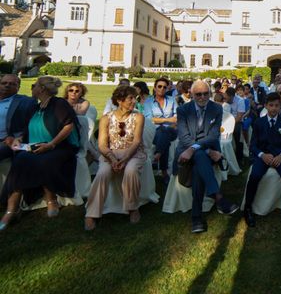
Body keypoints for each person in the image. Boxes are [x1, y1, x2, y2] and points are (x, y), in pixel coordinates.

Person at [0, 76, 80, 230]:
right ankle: (12, 209)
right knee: (21, 159)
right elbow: (27, 129)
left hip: (60, 147)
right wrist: (18, 139)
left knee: (42, 160)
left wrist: (51, 145)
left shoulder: (58, 103)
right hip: (35, 145)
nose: (32, 88)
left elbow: (68, 126)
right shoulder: (37, 107)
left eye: (34, 85)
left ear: (42, 88)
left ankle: (51, 199)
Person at [175, 80, 238, 233]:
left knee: (199, 164)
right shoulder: (183, 110)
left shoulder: (216, 108)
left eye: (205, 94)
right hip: (188, 152)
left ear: (210, 94)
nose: (202, 97)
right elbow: (184, 137)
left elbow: (213, 136)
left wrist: (196, 149)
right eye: (198, 94)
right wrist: (205, 151)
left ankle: (196, 217)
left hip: (202, 150)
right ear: (191, 94)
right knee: (201, 157)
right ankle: (217, 197)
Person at [84, 86, 146, 230]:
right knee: (102, 173)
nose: (134, 101)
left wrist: (124, 160)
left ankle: (132, 208)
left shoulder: (138, 117)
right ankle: (91, 213)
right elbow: (102, 145)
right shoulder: (106, 118)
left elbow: (137, 141)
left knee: (130, 170)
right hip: (111, 154)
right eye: (130, 98)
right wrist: (112, 159)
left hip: (134, 153)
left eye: (135, 98)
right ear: (119, 100)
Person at [244, 92, 281, 227]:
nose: (273, 108)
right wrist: (262, 155)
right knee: (254, 176)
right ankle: (248, 208)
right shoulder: (259, 123)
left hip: (280, 157)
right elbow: (253, 145)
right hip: (263, 156)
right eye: (271, 105)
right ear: (266, 106)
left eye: (277, 106)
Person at [143, 77, 178, 185]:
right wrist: (168, 119)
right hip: (155, 131)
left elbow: (177, 117)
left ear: (167, 89)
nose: (162, 89)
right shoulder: (149, 101)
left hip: (172, 129)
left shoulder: (171, 100)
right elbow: (149, 119)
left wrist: (162, 121)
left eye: (164, 87)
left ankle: (157, 155)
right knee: (164, 136)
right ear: (154, 88)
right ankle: (164, 172)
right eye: (159, 86)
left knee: (165, 131)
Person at [0, 74, 37, 162]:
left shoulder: (25, 102)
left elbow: (32, 123)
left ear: (18, 87)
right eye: (4, 83)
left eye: (12, 84)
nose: (7, 85)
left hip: (6, 141)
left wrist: (19, 137)